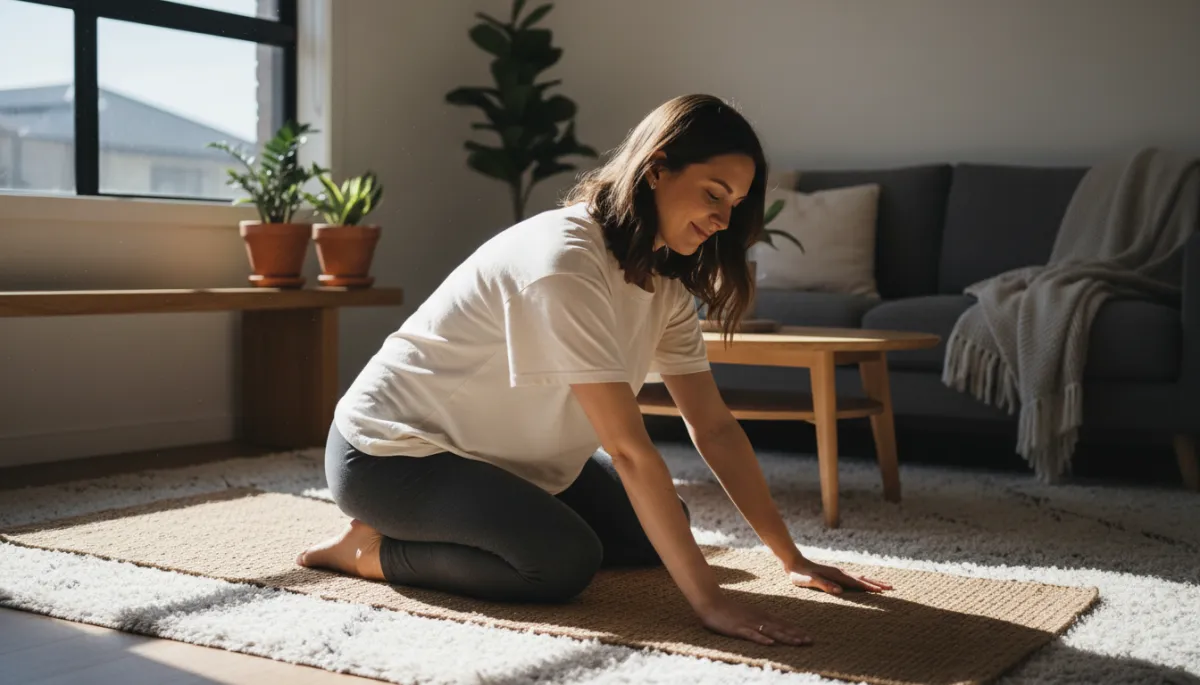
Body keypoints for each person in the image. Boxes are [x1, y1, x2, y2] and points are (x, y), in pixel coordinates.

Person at [296, 94, 891, 647]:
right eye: (714, 193)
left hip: (505, 459)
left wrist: (790, 558)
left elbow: (713, 427)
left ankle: (475, 518)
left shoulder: (666, 284)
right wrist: (709, 604)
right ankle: (366, 549)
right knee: (560, 563)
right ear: (657, 167)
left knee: (651, 534)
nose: (722, 219)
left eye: (734, 205)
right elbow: (629, 451)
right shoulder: (565, 261)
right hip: (392, 455)